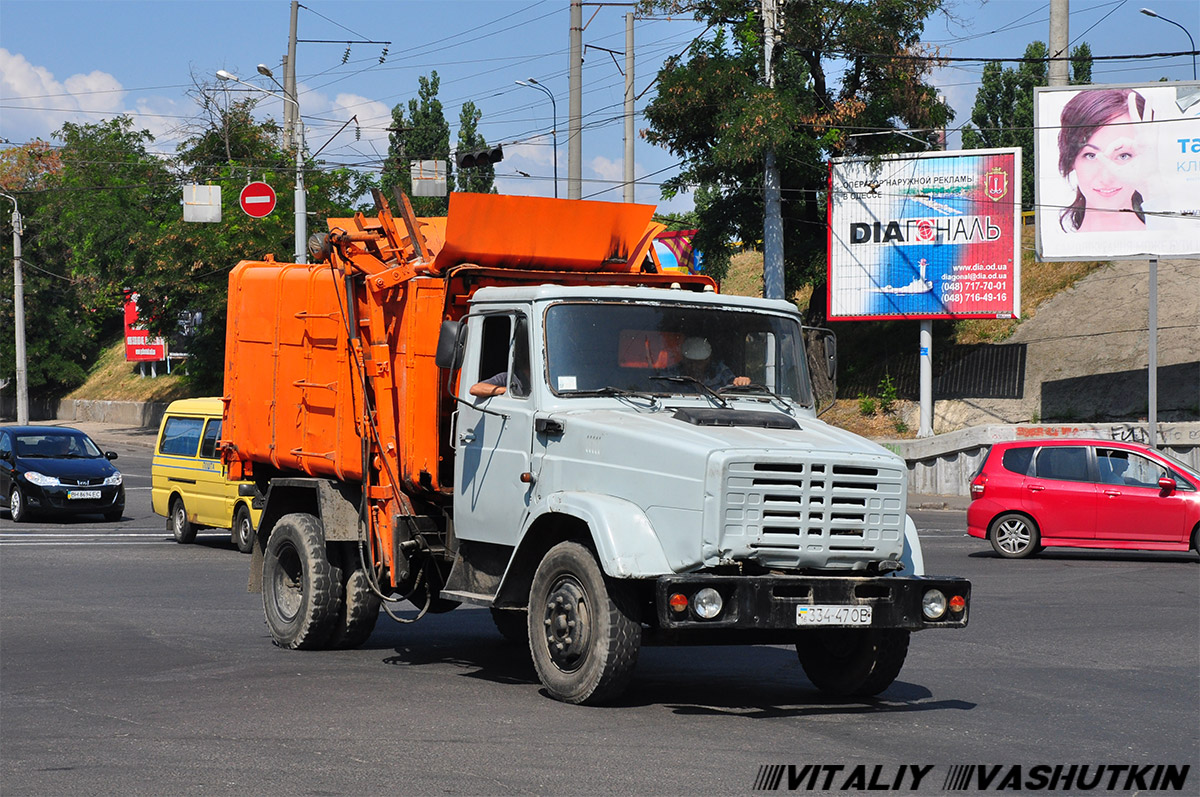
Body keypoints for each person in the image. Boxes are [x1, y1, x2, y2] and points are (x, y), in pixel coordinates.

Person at [1057, 88, 1150, 233]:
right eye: (1091, 155)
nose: (1106, 178)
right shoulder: (1058, 247)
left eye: (1123, 155)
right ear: (1071, 160)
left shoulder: (1170, 240)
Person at [677, 336, 751, 390]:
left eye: (699, 363)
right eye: (690, 362)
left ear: (708, 360)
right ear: (683, 359)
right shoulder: (672, 373)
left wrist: (741, 382)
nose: (693, 367)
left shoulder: (719, 371)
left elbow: (733, 383)